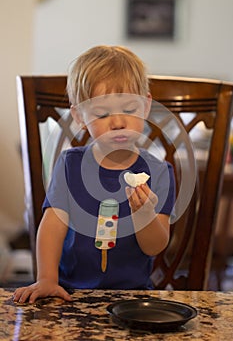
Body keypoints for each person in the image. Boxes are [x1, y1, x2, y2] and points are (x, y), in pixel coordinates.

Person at [13, 45, 175, 304]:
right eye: (102, 113)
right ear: (79, 115)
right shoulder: (70, 165)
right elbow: (53, 224)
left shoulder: (159, 172)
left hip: (133, 298)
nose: (118, 122)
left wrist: (143, 213)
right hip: (69, 293)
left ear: (145, 107)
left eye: (129, 109)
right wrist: (47, 279)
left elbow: (154, 247)